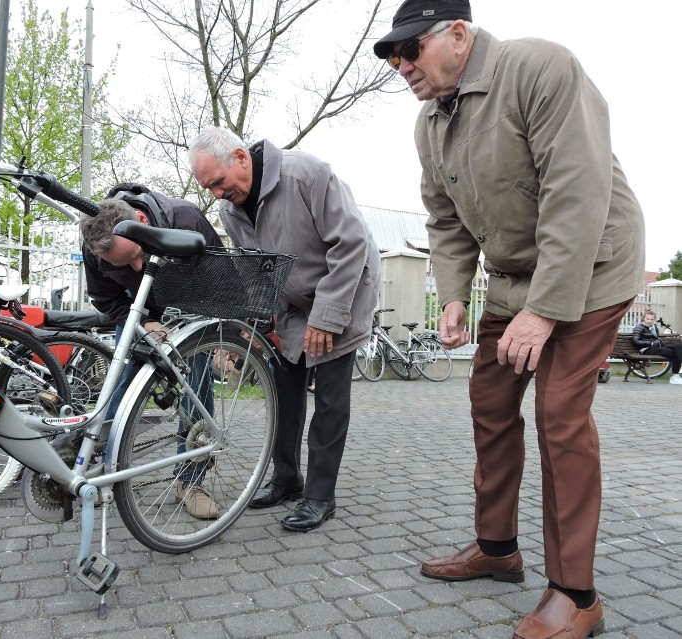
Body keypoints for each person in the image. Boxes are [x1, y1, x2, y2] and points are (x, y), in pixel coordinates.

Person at [374, 1, 645, 637]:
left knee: (559, 414)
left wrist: (545, 312)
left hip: (593, 261)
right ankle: (497, 550)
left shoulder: (539, 68)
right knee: (490, 400)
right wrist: (453, 295)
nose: (400, 66)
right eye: (391, 56)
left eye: (410, 49)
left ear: (459, 35)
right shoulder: (429, 124)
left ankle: (576, 593)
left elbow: (576, 194)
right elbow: (444, 220)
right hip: (515, 275)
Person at [188, 126, 381, 532]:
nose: (217, 194)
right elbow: (255, 270)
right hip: (292, 304)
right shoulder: (230, 209)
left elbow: (351, 245)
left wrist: (327, 317)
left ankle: (319, 496)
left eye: (219, 182)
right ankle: (287, 478)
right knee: (284, 392)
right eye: (209, 188)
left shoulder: (305, 175)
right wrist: (256, 321)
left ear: (241, 157)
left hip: (342, 292)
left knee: (329, 400)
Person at [79, 184, 224, 519]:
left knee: (196, 390)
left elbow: (221, 278)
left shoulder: (185, 219)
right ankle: (99, 470)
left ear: (141, 221)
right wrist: (145, 324)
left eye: (137, 257)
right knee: (120, 388)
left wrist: (221, 335)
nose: (135, 268)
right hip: (138, 312)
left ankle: (190, 481)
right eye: (122, 264)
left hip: (189, 311)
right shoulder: (94, 245)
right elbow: (106, 300)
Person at [632, 310, 682, 384]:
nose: (649, 321)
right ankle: (675, 377)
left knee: (679, 346)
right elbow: (636, 341)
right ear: (643, 319)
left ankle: (675, 377)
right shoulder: (639, 328)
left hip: (657, 347)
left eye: (651, 319)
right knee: (674, 352)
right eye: (647, 319)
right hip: (647, 349)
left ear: (654, 320)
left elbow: (656, 338)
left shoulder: (654, 327)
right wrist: (650, 343)